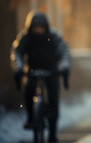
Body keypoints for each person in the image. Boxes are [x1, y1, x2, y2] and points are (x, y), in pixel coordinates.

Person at [11, 12, 71, 143]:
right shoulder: (25, 38)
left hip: (52, 71)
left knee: (53, 99)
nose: (39, 30)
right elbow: (17, 53)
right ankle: (31, 118)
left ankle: (52, 133)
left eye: (41, 27)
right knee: (29, 90)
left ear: (46, 27)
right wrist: (19, 68)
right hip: (32, 71)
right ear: (30, 27)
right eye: (36, 27)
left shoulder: (54, 37)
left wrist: (63, 67)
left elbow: (64, 52)